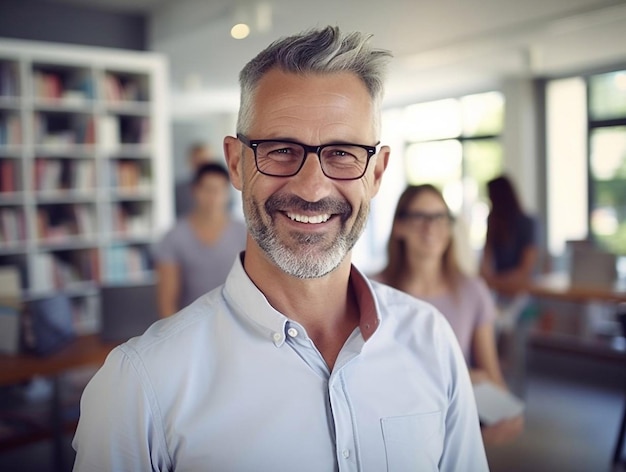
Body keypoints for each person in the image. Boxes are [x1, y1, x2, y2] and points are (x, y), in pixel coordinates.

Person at [73, 26, 488, 471]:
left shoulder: (430, 340)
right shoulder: (142, 383)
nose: (311, 188)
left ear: (378, 173)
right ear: (237, 163)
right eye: (281, 149)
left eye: (343, 153)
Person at [375, 184, 524, 445]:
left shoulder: (473, 291)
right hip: (390, 422)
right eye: (420, 216)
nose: (431, 227)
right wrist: (463, 377)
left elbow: (492, 378)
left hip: (454, 422)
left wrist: (498, 416)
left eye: (440, 217)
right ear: (399, 226)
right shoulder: (372, 290)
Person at [154, 162, 246, 317]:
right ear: (194, 191)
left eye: (219, 190)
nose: (214, 197)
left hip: (236, 322)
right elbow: (166, 301)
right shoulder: (174, 237)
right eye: (208, 190)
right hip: (189, 324)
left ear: (227, 192)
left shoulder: (245, 234)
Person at [480, 174, 538, 298]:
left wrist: (494, 281)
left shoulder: (527, 223)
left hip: (522, 292)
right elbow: (485, 264)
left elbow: (525, 270)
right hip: (499, 291)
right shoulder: (494, 223)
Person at [174, 142, 213, 218]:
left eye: (205, 162)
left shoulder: (223, 187)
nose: (202, 167)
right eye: (198, 162)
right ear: (191, 161)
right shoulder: (179, 190)